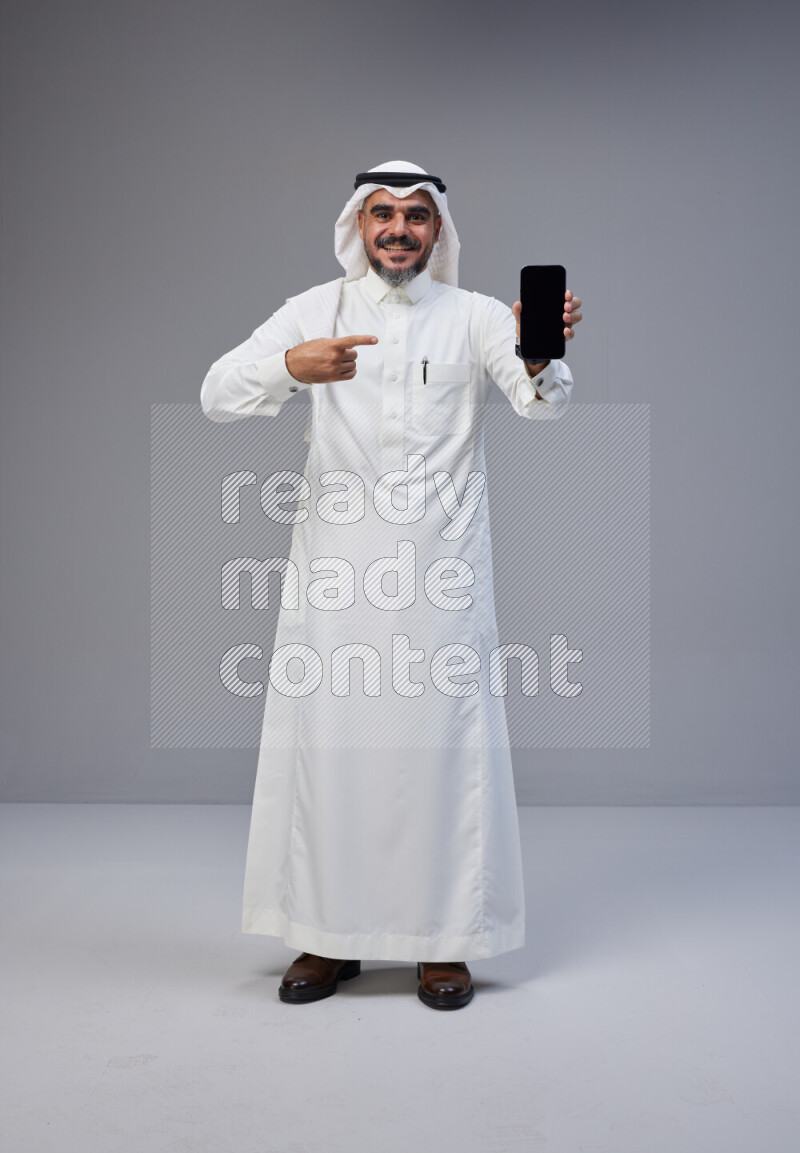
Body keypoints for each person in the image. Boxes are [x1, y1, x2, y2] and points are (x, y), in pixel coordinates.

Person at [200, 160, 583, 1010]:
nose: (399, 229)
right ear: (357, 225)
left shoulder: (479, 315)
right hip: (335, 577)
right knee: (331, 756)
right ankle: (326, 936)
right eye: (383, 214)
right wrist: (290, 368)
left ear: (438, 230)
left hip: (441, 578)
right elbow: (215, 394)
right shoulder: (314, 309)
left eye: (416, 215)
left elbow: (542, 405)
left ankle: (443, 943)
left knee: (441, 755)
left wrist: (542, 353)